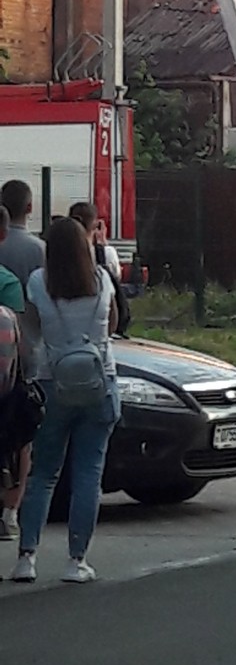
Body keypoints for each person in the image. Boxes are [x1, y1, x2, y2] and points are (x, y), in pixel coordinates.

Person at [10, 216, 119, 584]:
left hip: (52, 381)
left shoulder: (39, 282)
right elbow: (114, 324)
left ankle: (26, 557)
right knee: (88, 472)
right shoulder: (102, 280)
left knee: (43, 473)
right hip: (99, 381)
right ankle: (77, 560)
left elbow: (32, 330)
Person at [0, 200, 37, 542]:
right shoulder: (9, 281)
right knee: (19, 441)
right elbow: (14, 334)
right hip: (10, 377)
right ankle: (9, 513)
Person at [68, 203, 131, 337]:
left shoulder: (58, 257)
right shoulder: (106, 255)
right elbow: (116, 279)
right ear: (96, 225)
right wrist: (103, 244)